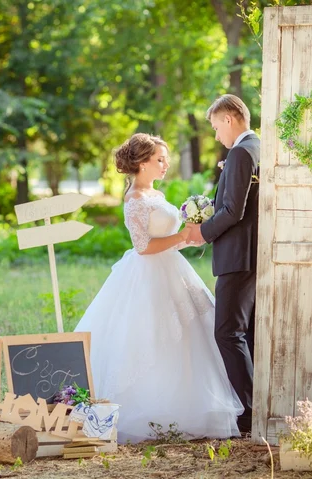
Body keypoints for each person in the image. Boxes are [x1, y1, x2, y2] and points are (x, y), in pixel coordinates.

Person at [75, 132, 243, 444]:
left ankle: (190, 407)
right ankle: (152, 412)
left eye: (166, 159)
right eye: (159, 160)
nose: (165, 165)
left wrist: (192, 233)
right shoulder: (135, 199)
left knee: (192, 335)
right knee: (153, 338)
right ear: (141, 163)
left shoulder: (155, 194)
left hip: (172, 270)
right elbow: (143, 247)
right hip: (147, 277)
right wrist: (182, 236)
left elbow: (167, 241)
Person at [186, 95, 260, 433]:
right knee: (244, 332)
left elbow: (233, 210)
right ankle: (254, 407)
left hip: (238, 256)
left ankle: (248, 412)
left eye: (217, 128)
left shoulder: (242, 152)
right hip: (246, 254)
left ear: (230, 119)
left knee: (227, 332)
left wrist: (202, 232)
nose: (217, 136)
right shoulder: (257, 148)